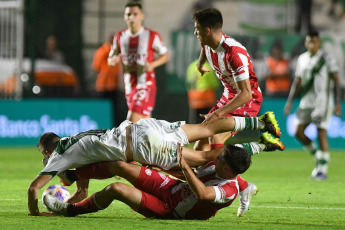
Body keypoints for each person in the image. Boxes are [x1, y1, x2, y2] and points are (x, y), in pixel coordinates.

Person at [27, 112, 283, 216]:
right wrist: (73, 184)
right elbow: (84, 184)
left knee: (205, 159)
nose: (45, 162)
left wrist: (35, 211)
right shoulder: (76, 141)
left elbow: (33, 190)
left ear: (49, 152)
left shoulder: (60, 156)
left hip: (146, 148)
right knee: (206, 131)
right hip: (145, 128)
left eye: (44, 157)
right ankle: (259, 124)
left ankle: (260, 148)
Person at [44, 143, 253, 220]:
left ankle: (70, 210)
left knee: (116, 188)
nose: (217, 157)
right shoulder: (214, 167)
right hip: (171, 187)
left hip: (171, 210)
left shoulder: (229, 189)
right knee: (121, 165)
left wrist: (184, 165)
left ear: (227, 168)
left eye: (221, 158)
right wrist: (161, 168)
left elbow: (203, 194)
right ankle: (71, 176)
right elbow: (189, 177)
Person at [192, 8, 264, 216]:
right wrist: (199, 63)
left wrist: (217, 114)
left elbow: (246, 94)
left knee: (215, 144)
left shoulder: (234, 53)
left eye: (197, 30)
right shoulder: (208, 44)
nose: (195, 34)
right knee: (199, 148)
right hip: (228, 96)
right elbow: (204, 48)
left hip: (246, 99)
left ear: (207, 30)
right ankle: (243, 185)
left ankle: (240, 184)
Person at [284, 31, 342, 180]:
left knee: (321, 131)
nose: (311, 44)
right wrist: (289, 102)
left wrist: (337, 102)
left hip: (322, 102)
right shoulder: (302, 59)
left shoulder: (327, 59)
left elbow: (336, 81)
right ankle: (318, 155)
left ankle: (322, 170)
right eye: (309, 41)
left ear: (319, 43)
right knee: (298, 132)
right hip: (306, 102)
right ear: (305, 43)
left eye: (314, 42)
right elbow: (297, 81)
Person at [108, 2, 169, 123]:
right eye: (128, 14)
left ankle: (126, 142)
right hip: (129, 86)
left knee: (131, 122)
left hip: (146, 84)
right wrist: (113, 61)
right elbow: (110, 59)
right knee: (145, 124)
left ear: (142, 16)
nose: (132, 17)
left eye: (135, 14)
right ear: (124, 17)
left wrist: (152, 64)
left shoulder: (151, 35)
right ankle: (157, 142)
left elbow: (165, 55)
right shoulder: (119, 37)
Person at [92, 34, 125, 126]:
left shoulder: (101, 51)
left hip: (103, 85)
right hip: (113, 85)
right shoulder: (116, 52)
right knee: (114, 109)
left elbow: (96, 66)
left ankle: (101, 124)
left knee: (102, 108)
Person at [186, 59, 220, 124]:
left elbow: (189, 81)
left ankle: (195, 130)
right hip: (207, 95)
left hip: (194, 95)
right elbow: (214, 83)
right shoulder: (208, 67)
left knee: (195, 115)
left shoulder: (191, 66)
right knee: (208, 114)